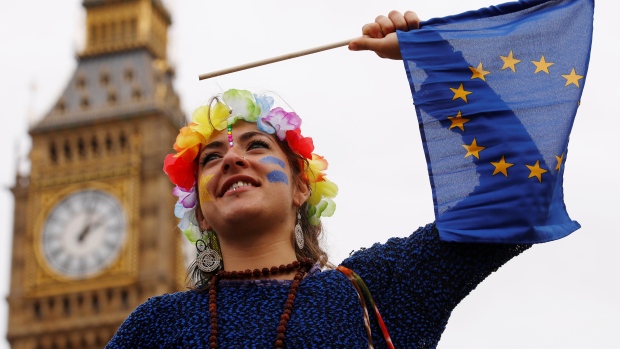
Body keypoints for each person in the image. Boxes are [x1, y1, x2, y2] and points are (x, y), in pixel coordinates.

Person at [106, 11, 532, 348]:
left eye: (256, 146)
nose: (232, 158)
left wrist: (437, 66)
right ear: (199, 212)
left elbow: (520, 190)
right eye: (211, 158)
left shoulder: (375, 290)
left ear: (301, 186)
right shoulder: (154, 328)